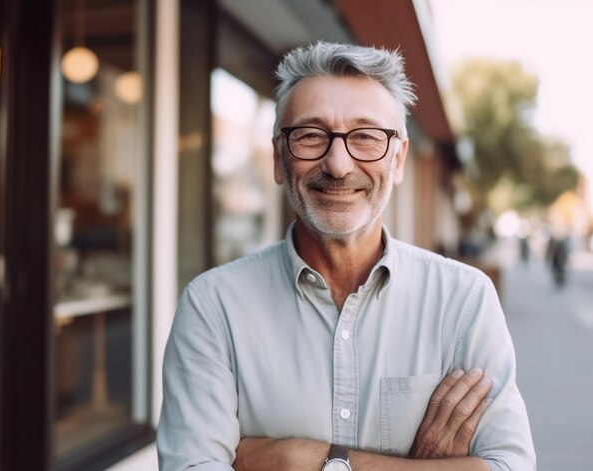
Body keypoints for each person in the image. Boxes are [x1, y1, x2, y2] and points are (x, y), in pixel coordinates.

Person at [157, 42, 535, 471]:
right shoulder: (213, 306)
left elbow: (509, 466)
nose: (338, 164)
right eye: (311, 136)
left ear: (397, 160)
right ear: (281, 159)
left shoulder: (464, 300)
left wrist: (307, 459)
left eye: (366, 137)